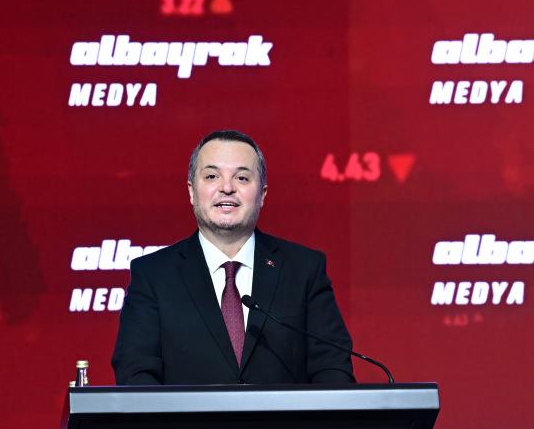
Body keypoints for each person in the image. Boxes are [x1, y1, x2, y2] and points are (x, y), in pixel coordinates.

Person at [111, 130, 356, 385]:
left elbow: (333, 370)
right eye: (212, 176)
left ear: (262, 194)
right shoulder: (153, 275)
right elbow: (135, 374)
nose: (227, 188)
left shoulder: (304, 270)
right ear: (192, 191)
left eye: (241, 178)